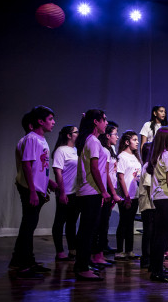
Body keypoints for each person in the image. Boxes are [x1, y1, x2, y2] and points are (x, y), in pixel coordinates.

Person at [10, 106, 56, 279]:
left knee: (29, 225)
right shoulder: (31, 139)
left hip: (37, 188)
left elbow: (39, 166)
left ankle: (21, 260)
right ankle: (25, 263)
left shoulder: (41, 140)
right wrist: (32, 191)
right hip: (30, 188)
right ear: (40, 121)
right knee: (28, 226)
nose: (53, 122)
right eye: (50, 119)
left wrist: (48, 182)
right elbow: (27, 165)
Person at [73, 109, 111, 281]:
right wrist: (103, 190)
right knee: (87, 231)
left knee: (88, 230)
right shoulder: (93, 141)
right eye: (104, 120)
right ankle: (81, 267)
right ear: (96, 122)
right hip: (91, 191)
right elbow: (95, 168)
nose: (106, 123)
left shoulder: (89, 140)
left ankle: (84, 263)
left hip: (89, 191)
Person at [147, 126, 168, 282]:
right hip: (165, 198)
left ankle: (156, 268)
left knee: (158, 235)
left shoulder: (158, 155)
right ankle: (158, 272)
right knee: (162, 236)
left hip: (158, 198)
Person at [92, 125, 122, 266]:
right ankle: (96, 255)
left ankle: (100, 252)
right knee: (100, 223)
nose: (117, 136)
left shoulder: (111, 150)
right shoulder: (103, 150)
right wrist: (112, 192)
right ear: (108, 136)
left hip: (110, 188)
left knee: (104, 222)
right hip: (106, 189)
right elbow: (106, 173)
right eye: (115, 134)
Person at [51, 125, 80, 262]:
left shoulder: (75, 150)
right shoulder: (61, 151)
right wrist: (62, 193)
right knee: (60, 221)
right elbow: (58, 172)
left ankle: (72, 249)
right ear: (69, 135)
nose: (78, 134)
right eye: (76, 132)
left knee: (72, 222)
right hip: (65, 191)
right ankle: (59, 252)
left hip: (76, 192)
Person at [115, 131, 142, 260]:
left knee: (130, 223)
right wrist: (126, 196)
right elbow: (120, 177)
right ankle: (120, 250)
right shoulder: (122, 157)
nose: (137, 142)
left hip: (135, 195)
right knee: (123, 222)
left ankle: (129, 250)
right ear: (127, 142)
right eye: (134, 140)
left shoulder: (135, 157)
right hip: (126, 196)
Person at [138, 143, 154, 269]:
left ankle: (150, 258)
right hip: (149, 204)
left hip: (150, 204)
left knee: (151, 232)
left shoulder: (148, 166)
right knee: (148, 232)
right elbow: (149, 187)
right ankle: (146, 259)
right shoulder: (148, 166)